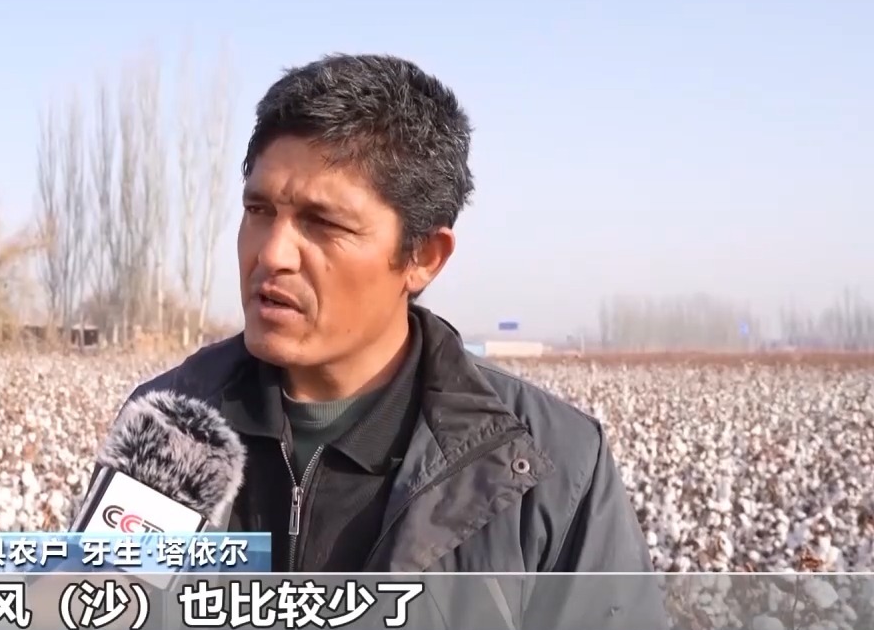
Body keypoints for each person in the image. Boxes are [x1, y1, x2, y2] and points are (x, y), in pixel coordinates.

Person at [119, 54, 667, 627]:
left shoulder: (548, 466)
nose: (272, 254)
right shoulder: (168, 426)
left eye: (323, 223)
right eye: (259, 210)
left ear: (423, 257)